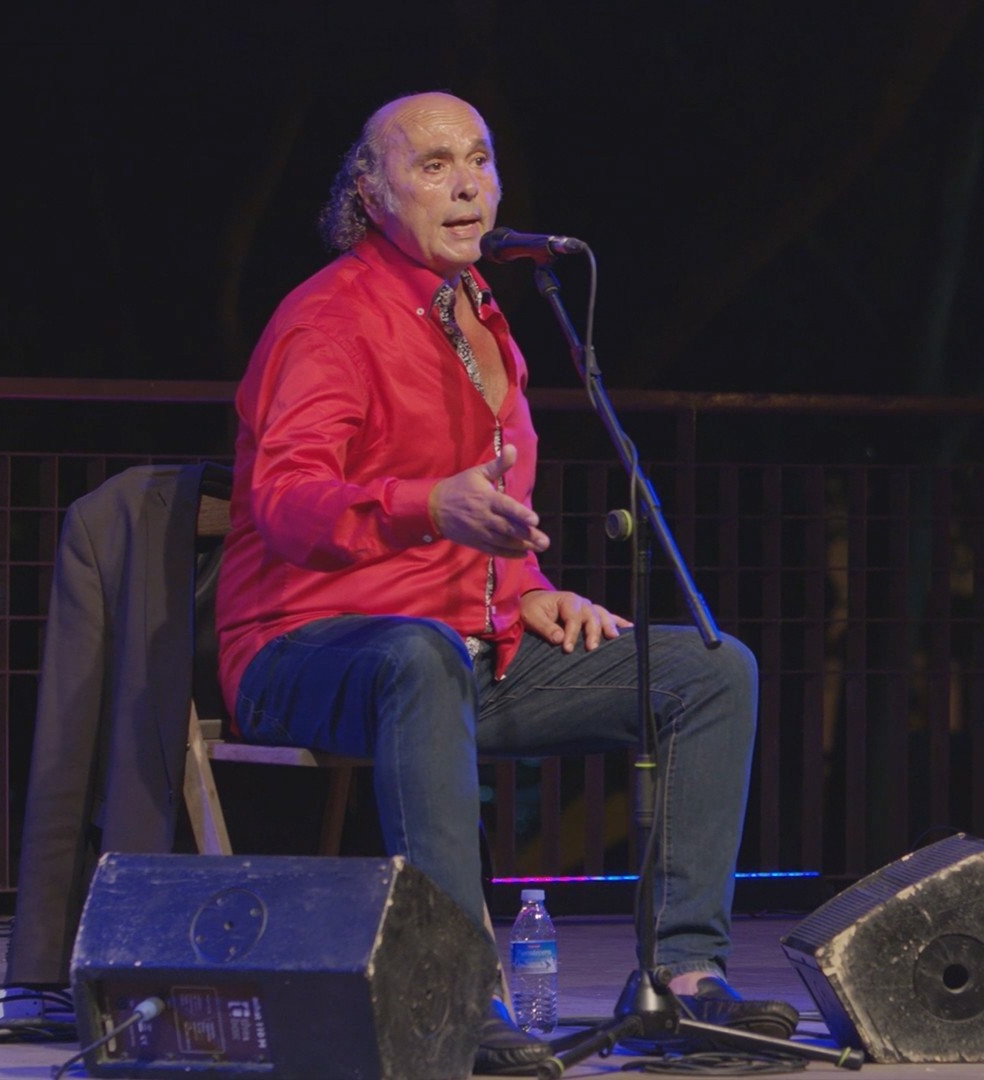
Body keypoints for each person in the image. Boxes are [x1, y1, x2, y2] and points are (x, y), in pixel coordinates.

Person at [216, 91, 796, 1068]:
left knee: (712, 670)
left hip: (456, 654)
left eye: (478, 159)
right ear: (373, 192)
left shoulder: (488, 322)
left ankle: (682, 979)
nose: (467, 183)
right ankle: (458, 993)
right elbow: (286, 498)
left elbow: (495, 507)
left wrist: (527, 583)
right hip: (306, 650)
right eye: (434, 163)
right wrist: (421, 505)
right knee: (420, 653)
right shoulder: (329, 319)